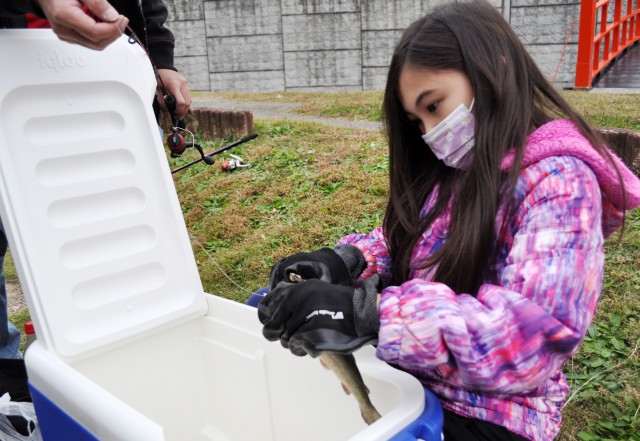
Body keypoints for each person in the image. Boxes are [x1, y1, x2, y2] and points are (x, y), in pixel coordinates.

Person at [255, 1, 640, 440]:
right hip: (416, 383)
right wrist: (345, 260)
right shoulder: (455, 173)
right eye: (418, 122)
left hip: (493, 416)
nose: (431, 133)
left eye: (434, 105)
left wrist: (373, 315)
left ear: (492, 68)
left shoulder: (560, 182)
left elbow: (530, 336)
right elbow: (409, 242)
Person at [0, 0, 191, 361]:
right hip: (12, 80)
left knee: (119, 232)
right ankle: (8, 388)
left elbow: (145, 5)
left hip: (103, 81)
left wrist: (159, 60)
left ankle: (133, 359)